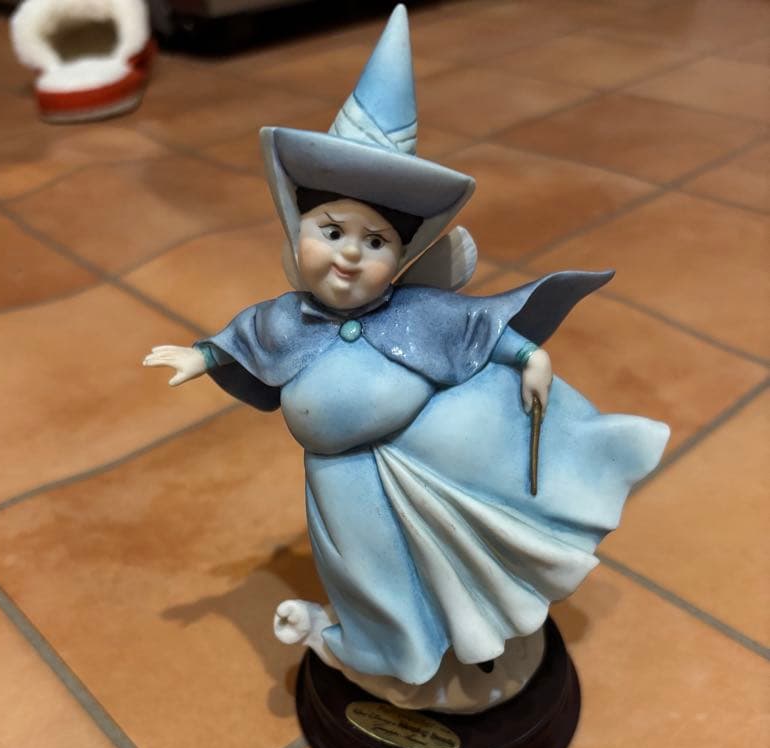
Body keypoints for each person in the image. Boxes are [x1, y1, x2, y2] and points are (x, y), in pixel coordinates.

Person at [144, 6, 668, 699]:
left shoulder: (418, 311)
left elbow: (477, 328)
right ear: (297, 231)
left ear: (400, 256)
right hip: (345, 483)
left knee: (457, 557)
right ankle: (382, 650)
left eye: (375, 242)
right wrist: (201, 358)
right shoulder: (286, 319)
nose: (349, 255)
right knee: (369, 576)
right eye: (332, 231)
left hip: (432, 466)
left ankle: (467, 639)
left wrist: (529, 359)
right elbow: (246, 339)